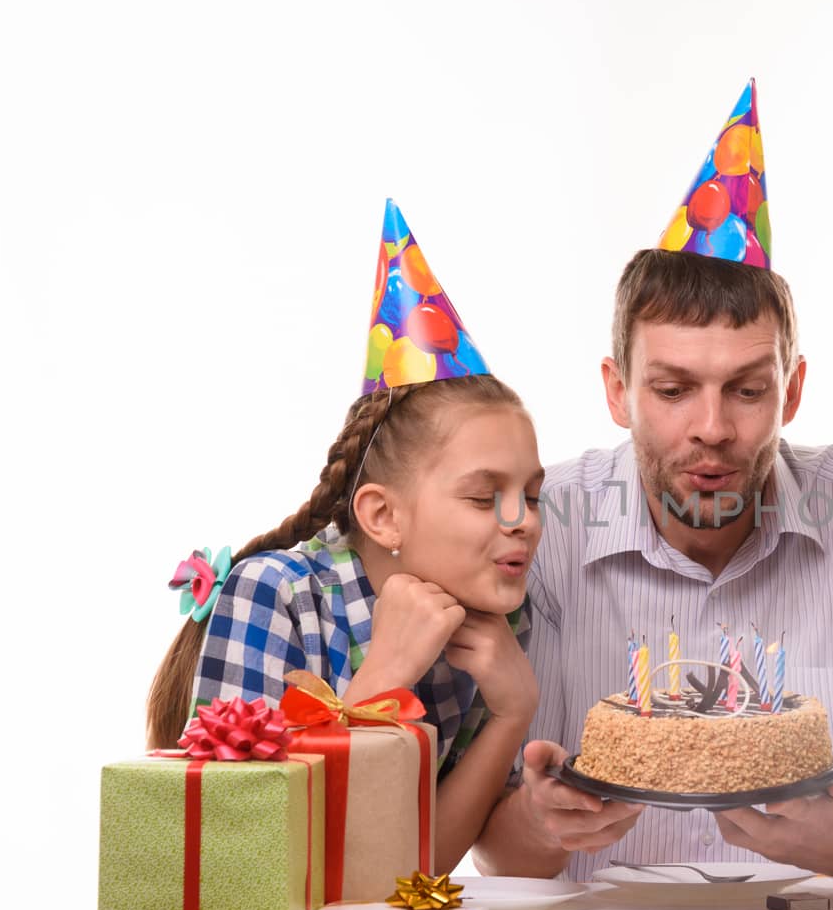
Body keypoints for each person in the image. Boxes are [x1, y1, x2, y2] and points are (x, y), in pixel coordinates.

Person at [473, 80, 833, 884]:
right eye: (673, 390)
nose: (712, 426)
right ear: (617, 391)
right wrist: (542, 821)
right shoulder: (542, 524)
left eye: (747, 390)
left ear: (794, 388)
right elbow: (493, 845)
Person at [145, 200, 544, 871]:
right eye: (485, 496)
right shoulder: (274, 594)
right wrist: (385, 673)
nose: (523, 520)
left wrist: (511, 713)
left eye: (532, 495)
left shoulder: (494, 627)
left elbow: (416, 868)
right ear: (383, 515)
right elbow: (232, 855)